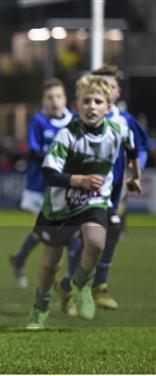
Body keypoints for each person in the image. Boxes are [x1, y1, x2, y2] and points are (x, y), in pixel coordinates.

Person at [26, 74, 141, 330]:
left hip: (93, 200)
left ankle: (80, 283)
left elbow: (132, 149)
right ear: (76, 106)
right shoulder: (66, 136)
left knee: (97, 241)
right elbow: (49, 174)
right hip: (60, 205)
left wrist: (136, 176)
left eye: (98, 101)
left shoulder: (119, 131)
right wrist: (79, 180)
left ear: (109, 107)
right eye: (86, 101)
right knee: (49, 264)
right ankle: (40, 307)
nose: (92, 106)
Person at [55, 65, 152, 311]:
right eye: (101, 86)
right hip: (84, 191)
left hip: (111, 190)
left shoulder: (124, 120)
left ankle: (77, 286)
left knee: (108, 232)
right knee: (86, 238)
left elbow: (140, 147)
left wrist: (135, 170)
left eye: (110, 86)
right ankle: (82, 287)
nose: (105, 90)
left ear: (117, 92)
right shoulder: (82, 121)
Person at [9, 78, 79, 290]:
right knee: (54, 230)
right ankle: (64, 283)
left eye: (58, 96)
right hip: (40, 186)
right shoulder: (39, 121)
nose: (55, 101)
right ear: (43, 101)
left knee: (47, 229)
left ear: (65, 98)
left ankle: (21, 258)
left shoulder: (74, 120)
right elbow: (34, 151)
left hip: (66, 187)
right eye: (50, 97)